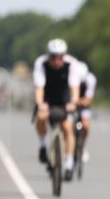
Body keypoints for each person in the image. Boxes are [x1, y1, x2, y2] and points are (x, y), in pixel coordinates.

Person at [33, 39, 82, 181]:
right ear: (49, 56)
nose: (57, 60)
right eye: (53, 57)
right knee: (41, 117)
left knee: (67, 127)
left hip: (64, 98)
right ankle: (43, 146)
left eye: (60, 57)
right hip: (47, 96)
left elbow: (75, 87)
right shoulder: (40, 63)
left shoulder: (72, 64)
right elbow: (39, 88)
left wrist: (73, 102)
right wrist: (40, 103)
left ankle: (68, 164)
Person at [76, 62, 97, 162]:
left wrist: (81, 102)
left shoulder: (90, 79)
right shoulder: (70, 76)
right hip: (70, 103)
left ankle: (83, 146)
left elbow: (89, 97)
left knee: (85, 125)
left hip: (83, 104)